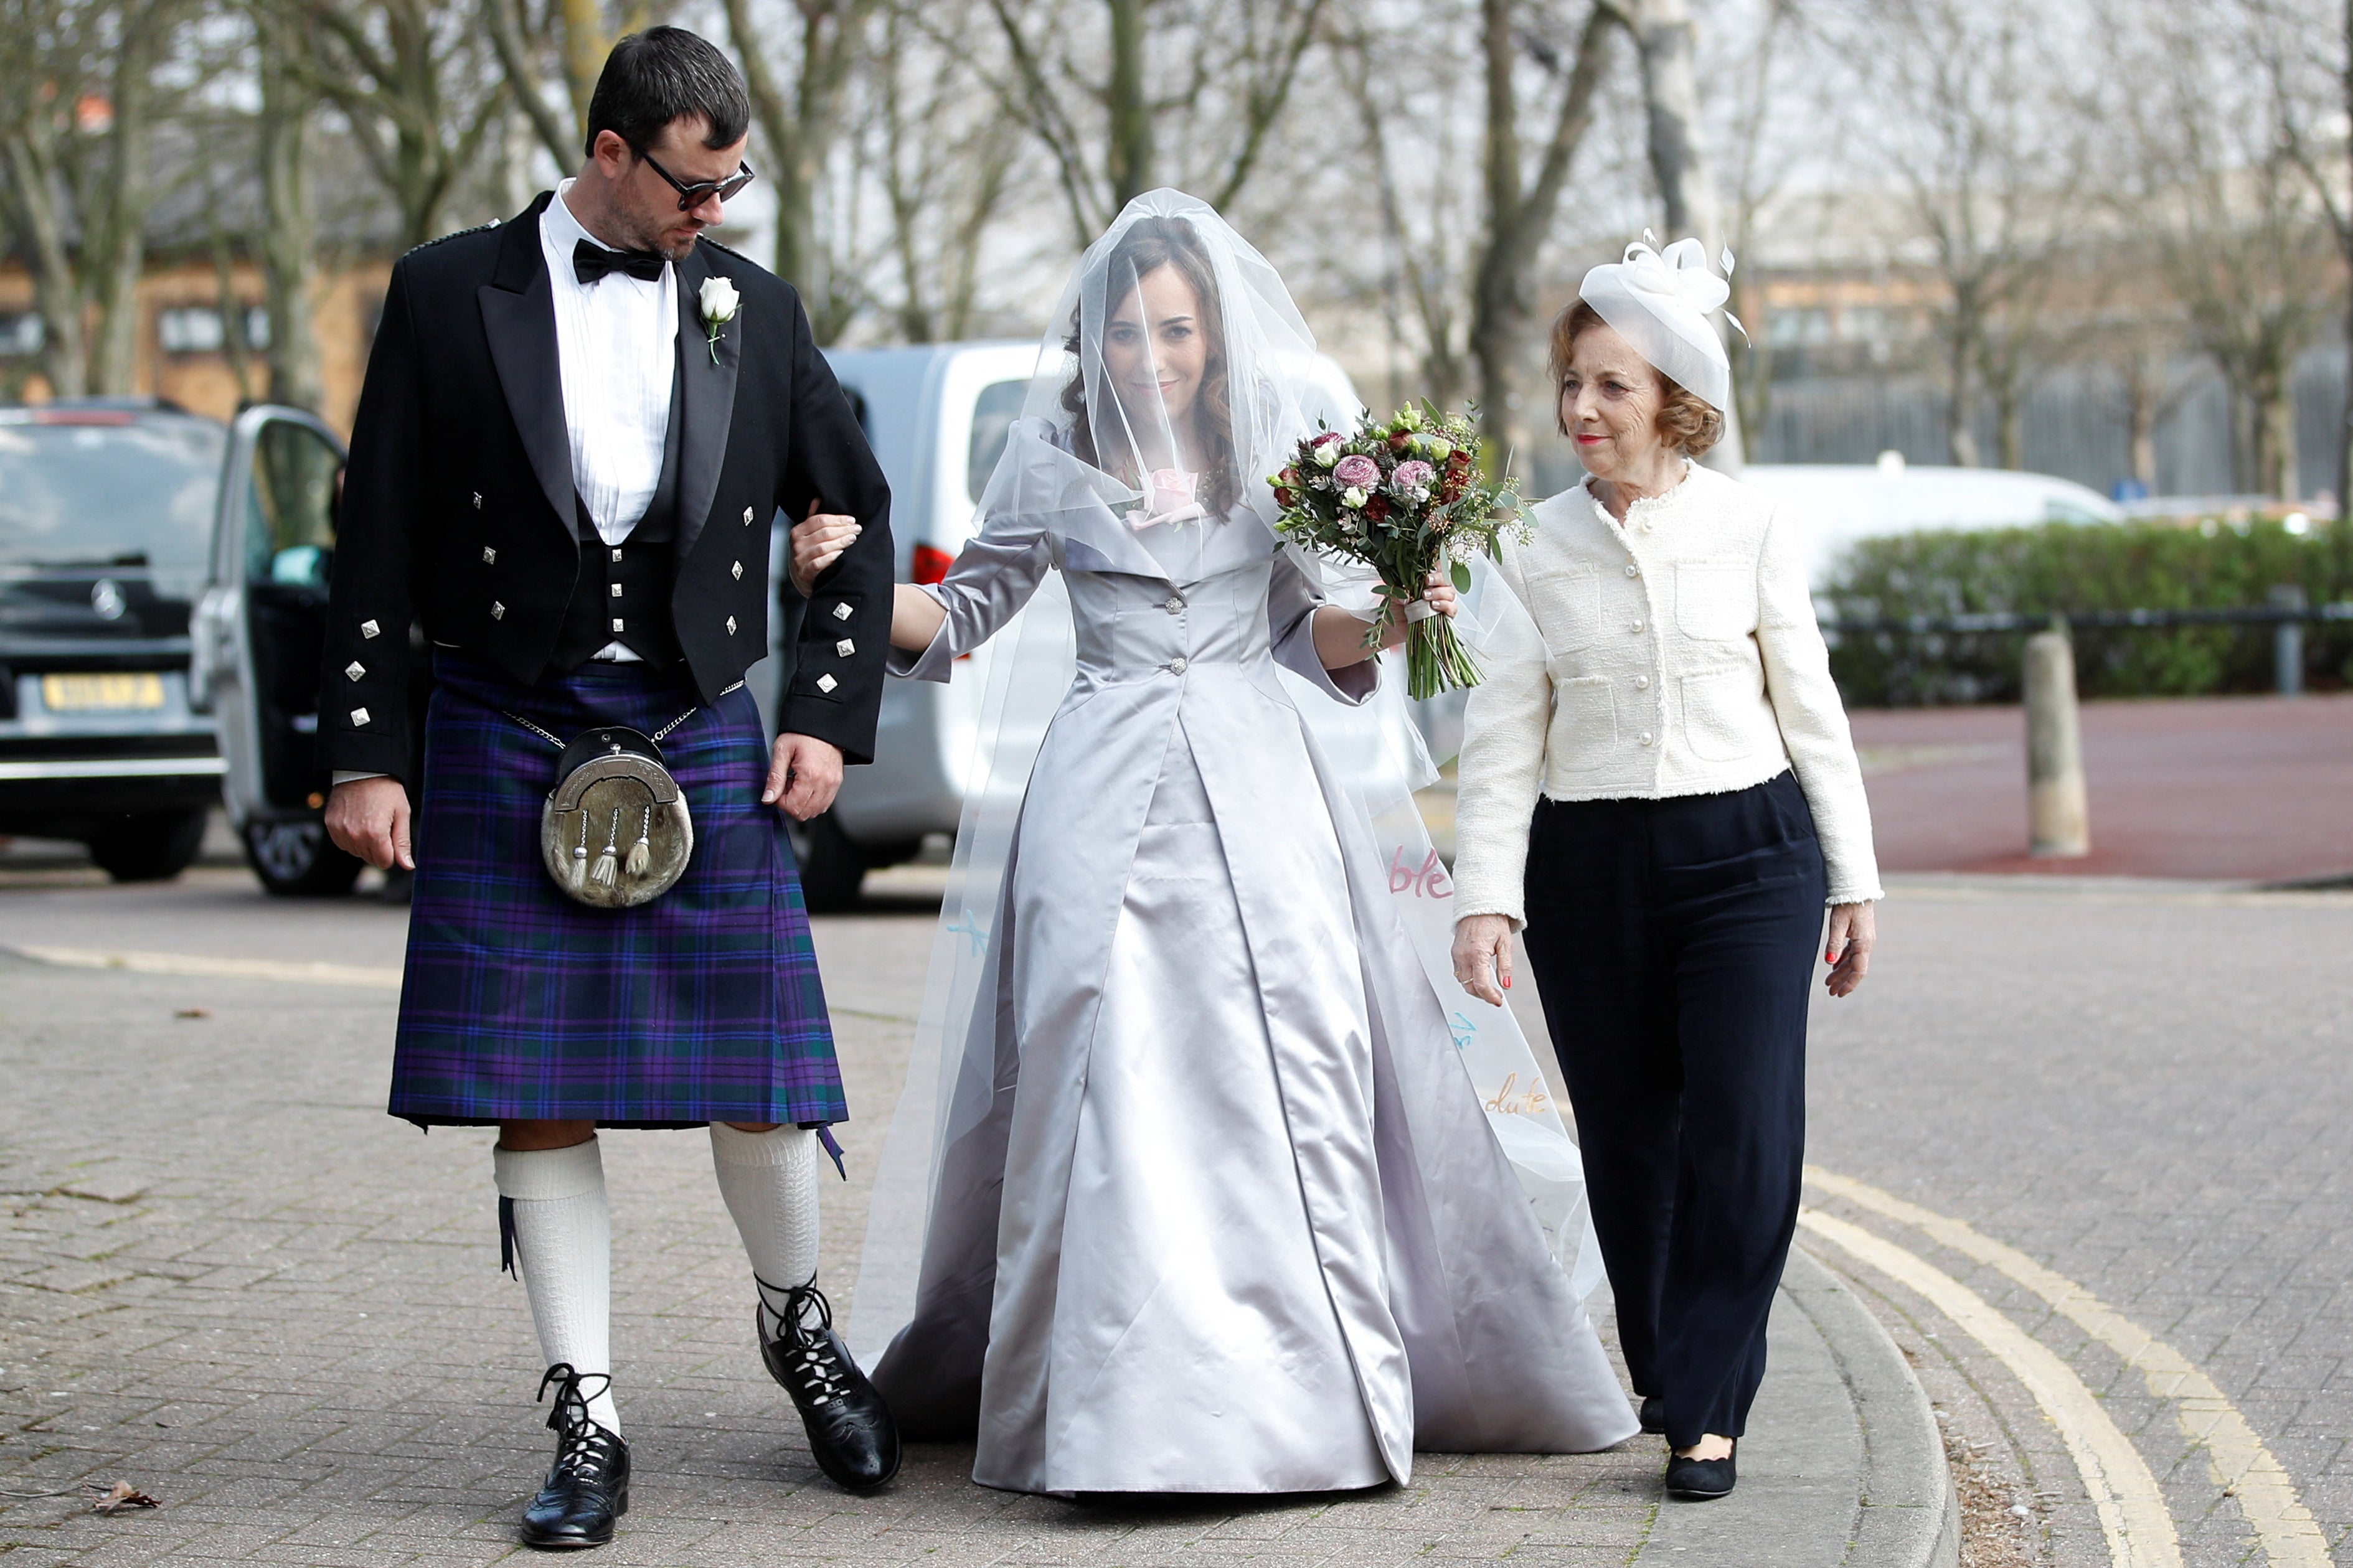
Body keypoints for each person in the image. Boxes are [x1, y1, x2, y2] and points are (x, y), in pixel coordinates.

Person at [791, 190, 1638, 1498]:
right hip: (1096, 786)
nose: (1153, 356)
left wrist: (1405, 614)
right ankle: (1110, 1404)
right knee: (1092, 1049)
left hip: (1257, 783)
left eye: (1176, 330)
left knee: (1294, 1055)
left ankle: (1295, 1392)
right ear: (1097, 340)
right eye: (1127, 333)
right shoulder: (1052, 453)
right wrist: (847, 577)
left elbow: (1314, 643)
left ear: (1215, 338)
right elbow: (962, 620)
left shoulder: (1273, 459)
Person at [318, 27, 900, 1549]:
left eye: (734, 184)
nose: (717, 213)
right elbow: (374, 522)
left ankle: (798, 1321)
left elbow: (854, 509)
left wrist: (829, 717)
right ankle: (586, 1408)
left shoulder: (751, 309)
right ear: (611, 155)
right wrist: (369, 749)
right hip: (507, 717)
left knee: (765, 1087)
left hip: (697, 719)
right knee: (537, 1095)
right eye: (696, 186)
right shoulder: (450, 292)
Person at [1448, 238, 1883, 1502]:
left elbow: (1814, 714)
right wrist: (1488, 899)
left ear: (1675, 401)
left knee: (1746, 1133)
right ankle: (1666, 1368)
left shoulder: (1749, 525)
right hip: (1591, 871)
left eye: (1611, 388)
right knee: (1630, 1147)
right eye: (1573, 384)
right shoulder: (1526, 548)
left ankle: (1705, 1402)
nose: (1582, 409)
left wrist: (1854, 883)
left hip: (1750, 857)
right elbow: (1500, 741)